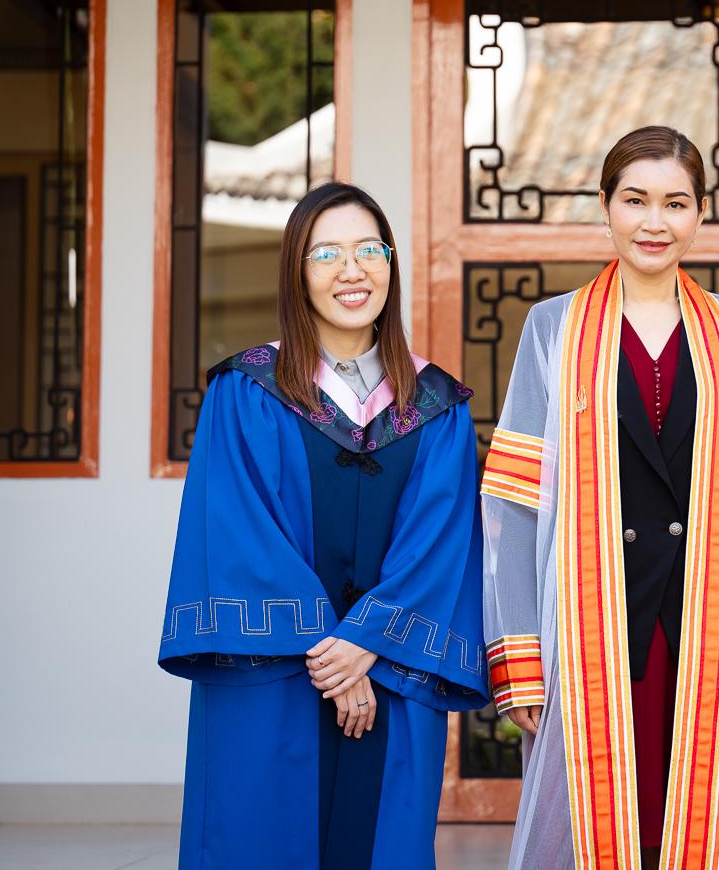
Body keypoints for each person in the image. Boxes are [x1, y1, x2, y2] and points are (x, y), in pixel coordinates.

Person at [481, 126, 719, 870]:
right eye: (635, 200)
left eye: (675, 203)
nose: (654, 222)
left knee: (694, 821)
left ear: (702, 213)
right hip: (590, 619)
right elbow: (515, 501)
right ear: (604, 205)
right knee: (598, 821)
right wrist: (521, 653)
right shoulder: (554, 326)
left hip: (705, 617)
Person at [159, 182, 488, 869]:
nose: (352, 270)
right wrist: (335, 658)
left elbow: (442, 541)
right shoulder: (246, 391)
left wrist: (366, 640)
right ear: (297, 271)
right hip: (276, 671)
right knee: (258, 836)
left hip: (391, 672)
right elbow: (239, 533)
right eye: (327, 254)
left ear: (390, 263)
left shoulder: (437, 407)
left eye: (369, 250)